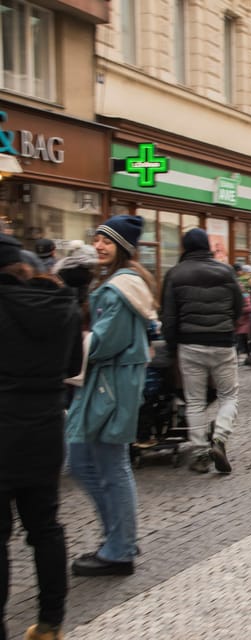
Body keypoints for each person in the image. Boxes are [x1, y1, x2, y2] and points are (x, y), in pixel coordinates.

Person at [66, 215, 158, 576]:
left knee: (107, 466)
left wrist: (66, 341)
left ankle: (119, 548)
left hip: (109, 388)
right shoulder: (118, 284)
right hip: (104, 386)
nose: (99, 245)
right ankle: (118, 538)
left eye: (108, 241)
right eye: (98, 238)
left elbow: (103, 343)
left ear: (124, 247)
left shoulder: (119, 289)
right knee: (86, 462)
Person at [0, 234, 82, 640]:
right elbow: (72, 365)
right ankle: (51, 622)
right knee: (45, 529)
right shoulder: (60, 304)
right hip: (46, 428)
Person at [161, 228, 243, 474]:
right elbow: (239, 304)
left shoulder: (175, 274)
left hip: (190, 344)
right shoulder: (226, 270)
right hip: (222, 342)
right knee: (229, 395)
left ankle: (199, 452)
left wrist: (172, 344)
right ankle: (219, 437)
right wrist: (229, 325)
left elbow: (169, 315)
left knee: (194, 400)